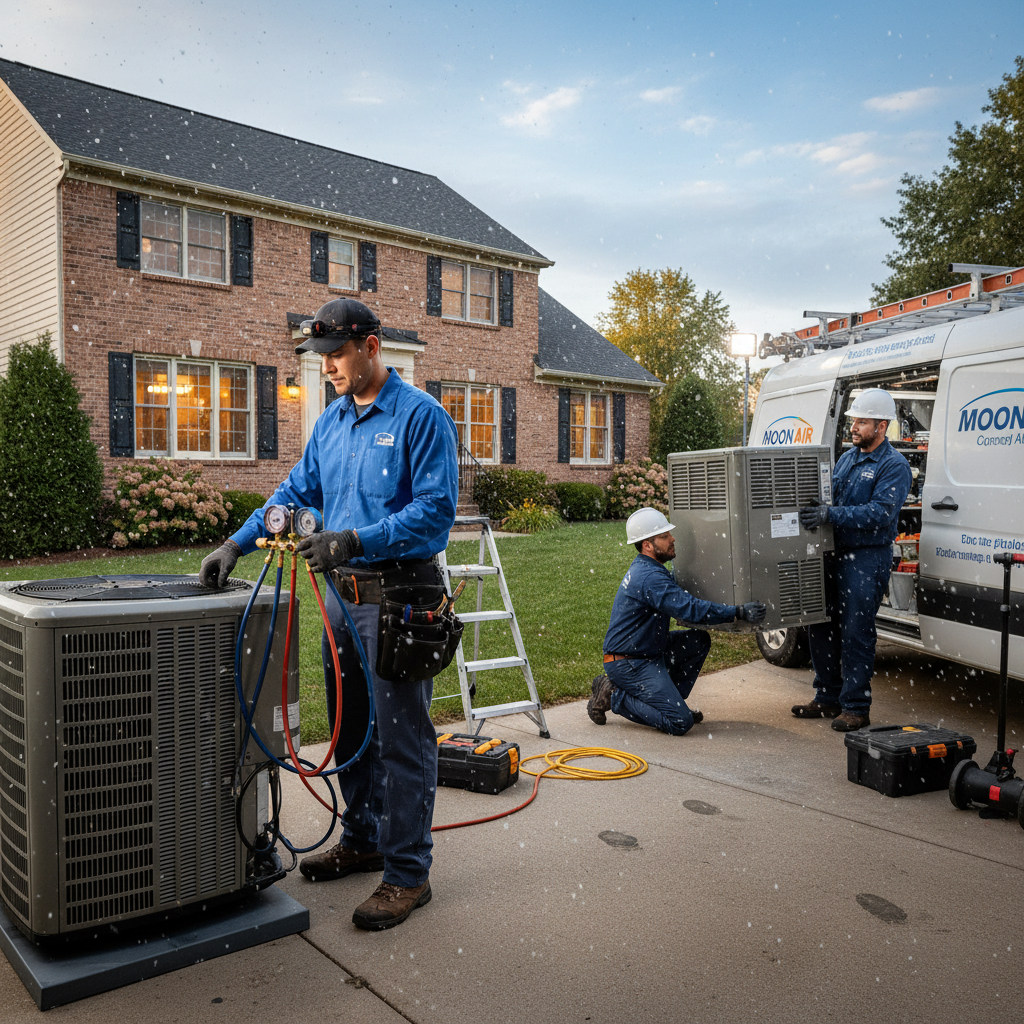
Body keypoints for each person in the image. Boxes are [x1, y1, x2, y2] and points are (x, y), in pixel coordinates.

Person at [199, 297, 458, 930]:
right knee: (350, 729)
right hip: (341, 600)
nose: (329, 368)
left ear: (372, 347)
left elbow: (434, 513)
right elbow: (291, 496)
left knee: (402, 739)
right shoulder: (332, 424)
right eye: (322, 359)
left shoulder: (421, 417)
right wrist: (234, 543)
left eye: (337, 354)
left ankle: (407, 873)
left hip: (399, 598)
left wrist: (354, 539)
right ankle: (365, 838)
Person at [794, 388, 913, 732]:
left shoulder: (894, 465)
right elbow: (828, 496)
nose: (855, 427)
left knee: (856, 632)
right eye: (854, 420)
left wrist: (830, 514)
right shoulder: (848, 458)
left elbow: (880, 513)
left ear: (882, 426)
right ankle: (827, 697)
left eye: (862, 421)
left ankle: (856, 707)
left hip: (866, 558)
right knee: (820, 624)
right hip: (833, 554)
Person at [590, 507, 766, 734]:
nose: (672, 539)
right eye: (664, 537)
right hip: (629, 662)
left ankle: (669, 705)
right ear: (647, 545)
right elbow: (689, 609)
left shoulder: (649, 568)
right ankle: (612, 694)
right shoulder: (650, 577)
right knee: (680, 723)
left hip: (647, 651)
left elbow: (682, 595)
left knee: (698, 640)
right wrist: (738, 612)